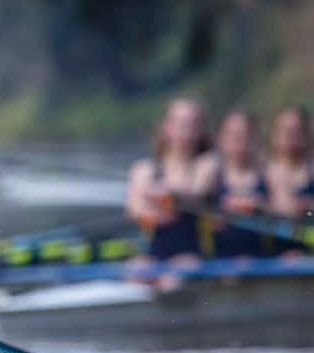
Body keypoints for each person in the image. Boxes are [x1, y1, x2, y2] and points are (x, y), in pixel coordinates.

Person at [125, 97, 212, 262]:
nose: (187, 131)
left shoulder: (206, 164)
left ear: (201, 131)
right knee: (136, 268)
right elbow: (135, 209)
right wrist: (153, 213)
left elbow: (198, 191)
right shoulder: (145, 169)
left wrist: (166, 193)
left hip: (194, 253)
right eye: (182, 124)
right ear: (167, 127)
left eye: (193, 125)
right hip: (156, 251)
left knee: (178, 269)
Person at [205, 109, 269, 258]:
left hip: (261, 261)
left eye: (245, 136)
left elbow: (286, 210)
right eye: (233, 136)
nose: (239, 142)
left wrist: (260, 206)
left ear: (255, 139)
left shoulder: (269, 174)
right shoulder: (210, 174)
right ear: (221, 139)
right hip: (218, 262)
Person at [265, 106, 312, 254]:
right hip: (269, 259)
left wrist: (307, 207)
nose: (290, 136)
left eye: (296, 130)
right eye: (285, 129)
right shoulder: (262, 173)